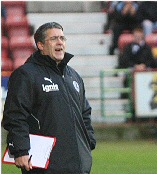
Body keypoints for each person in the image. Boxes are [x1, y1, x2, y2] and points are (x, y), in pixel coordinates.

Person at [2, 22, 96, 173]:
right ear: (40, 45)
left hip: (78, 164)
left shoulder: (73, 75)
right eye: (53, 39)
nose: (60, 42)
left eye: (62, 38)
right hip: (44, 164)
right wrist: (20, 150)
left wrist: (88, 141)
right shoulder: (26, 74)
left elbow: (85, 112)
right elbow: (15, 115)